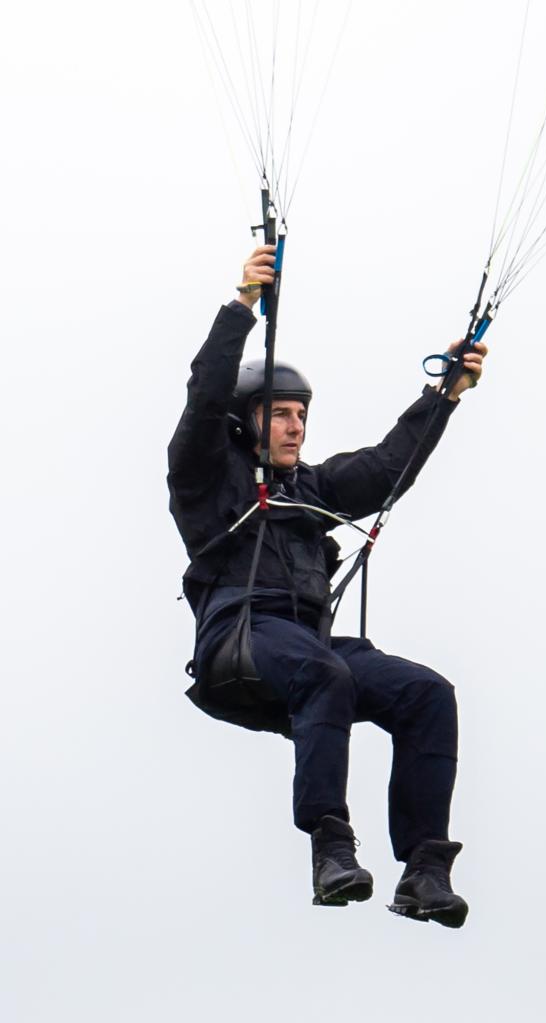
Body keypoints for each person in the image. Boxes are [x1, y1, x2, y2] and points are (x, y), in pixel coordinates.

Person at [168, 245, 487, 928]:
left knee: (427, 693)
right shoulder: (206, 479)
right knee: (324, 673)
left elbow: (382, 467)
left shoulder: (311, 488)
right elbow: (201, 401)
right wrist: (241, 306)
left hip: (307, 647)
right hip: (241, 641)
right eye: (279, 413)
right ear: (244, 421)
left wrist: (443, 395)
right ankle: (330, 848)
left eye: (301, 415)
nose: (295, 426)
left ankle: (425, 869)